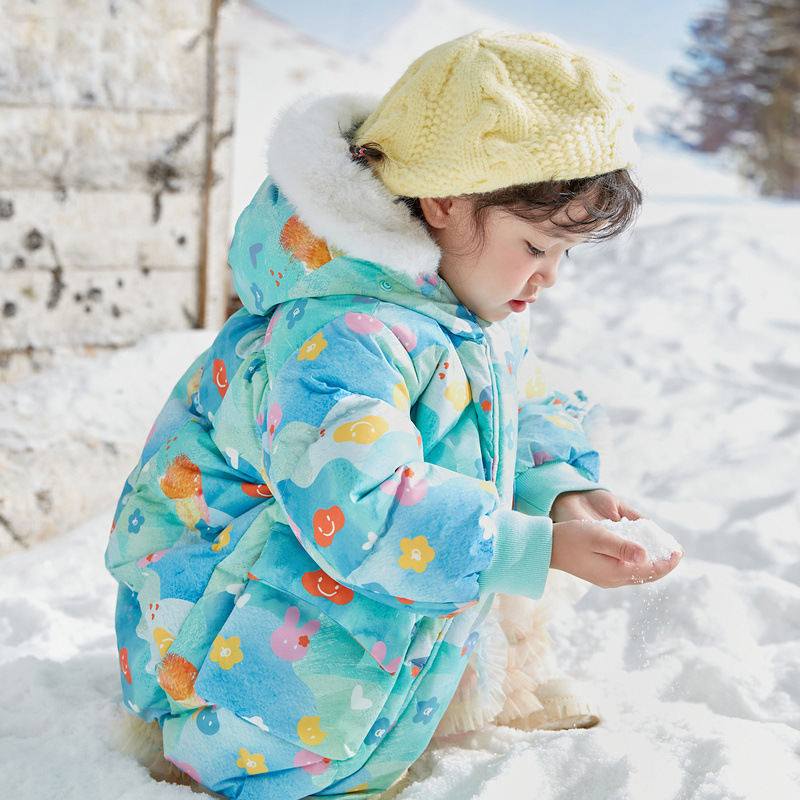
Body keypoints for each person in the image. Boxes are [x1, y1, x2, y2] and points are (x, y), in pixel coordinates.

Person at [105, 30, 682, 799]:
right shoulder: (340, 331)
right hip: (227, 616)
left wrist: (563, 493)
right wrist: (537, 547)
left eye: (565, 254)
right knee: (468, 541)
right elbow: (363, 506)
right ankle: (245, 748)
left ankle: (470, 690)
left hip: (358, 555)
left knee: (488, 519)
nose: (550, 277)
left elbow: (522, 402)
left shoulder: (469, 297)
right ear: (444, 201)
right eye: (536, 245)